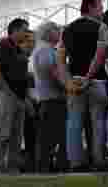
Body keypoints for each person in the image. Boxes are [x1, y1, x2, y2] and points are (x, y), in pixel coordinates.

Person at [59, 0, 108, 171]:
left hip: (74, 81)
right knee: (98, 122)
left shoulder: (67, 29)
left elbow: (60, 58)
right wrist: (89, 77)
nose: (102, 11)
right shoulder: (101, 27)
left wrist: (68, 81)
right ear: (90, 8)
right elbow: (101, 55)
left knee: (74, 122)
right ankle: (99, 161)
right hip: (96, 81)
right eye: (100, 7)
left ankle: (75, 163)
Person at [0, 18, 31, 174]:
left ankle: (13, 167)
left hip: (19, 98)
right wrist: (7, 91)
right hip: (6, 96)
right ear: (15, 30)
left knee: (16, 136)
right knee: (3, 133)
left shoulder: (18, 49)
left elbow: (21, 75)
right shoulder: (3, 45)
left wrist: (24, 98)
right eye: (25, 29)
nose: (27, 33)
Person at [31, 22, 68, 173]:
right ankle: (44, 169)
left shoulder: (45, 50)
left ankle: (49, 167)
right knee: (49, 139)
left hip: (51, 100)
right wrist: (70, 86)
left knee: (53, 138)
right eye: (57, 31)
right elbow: (54, 73)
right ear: (49, 33)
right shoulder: (46, 51)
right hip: (52, 101)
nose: (60, 33)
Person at [19, 29, 38, 173]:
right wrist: (27, 102)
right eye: (30, 42)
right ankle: (29, 166)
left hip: (33, 102)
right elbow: (18, 84)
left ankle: (31, 165)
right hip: (26, 104)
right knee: (30, 137)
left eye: (34, 41)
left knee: (33, 137)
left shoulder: (28, 59)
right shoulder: (20, 59)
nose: (33, 44)